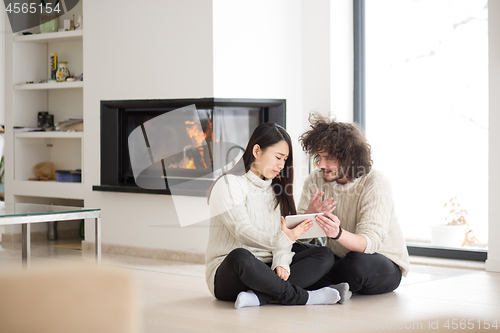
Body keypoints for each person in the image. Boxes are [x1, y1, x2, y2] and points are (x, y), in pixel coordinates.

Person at [205, 122, 349, 309]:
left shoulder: (277, 189)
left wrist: (281, 261)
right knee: (240, 257)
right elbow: (242, 231)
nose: (281, 165)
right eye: (278, 157)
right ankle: (304, 297)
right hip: (232, 273)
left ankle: (259, 297)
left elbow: (283, 236)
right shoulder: (229, 184)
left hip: (268, 267)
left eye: (285, 159)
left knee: (324, 255)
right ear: (257, 151)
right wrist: (281, 242)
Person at [295, 114, 410, 295]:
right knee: (291, 249)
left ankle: (307, 284)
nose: (321, 165)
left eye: (329, 158)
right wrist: (309, 215)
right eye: (319, 157)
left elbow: (370, 243)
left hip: (379, 260)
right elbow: (300, 238)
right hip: (338, 258)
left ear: (349, 158)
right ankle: (327, 287)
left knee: (356, 265)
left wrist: (337, 233)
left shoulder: (375, 182)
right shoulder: (315, 179)